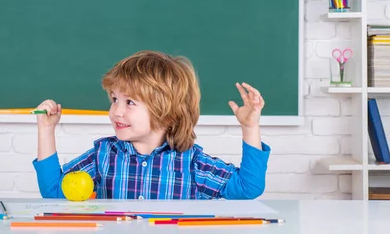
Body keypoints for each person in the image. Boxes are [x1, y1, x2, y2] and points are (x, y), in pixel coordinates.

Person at [33, 50, 270, 199]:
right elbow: (54, 191)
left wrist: (250, 127)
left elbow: (248, 187)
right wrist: (46, 128)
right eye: (114, 99)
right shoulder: (104, 155)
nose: (117, 110)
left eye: (130, 102)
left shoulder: (192, 164)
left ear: (166, 112)